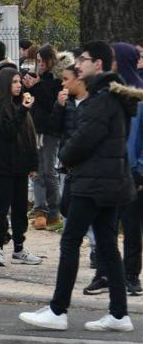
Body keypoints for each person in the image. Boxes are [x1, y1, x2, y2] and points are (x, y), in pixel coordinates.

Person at [19, 41, 140, 332]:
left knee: (70, 241)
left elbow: (85, 139)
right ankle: (119, 314)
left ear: (98, 64)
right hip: (109, 181)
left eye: (83, 60)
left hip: (93, 182)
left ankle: (58, 310)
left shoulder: (102, 99)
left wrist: (64, 154)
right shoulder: (111, 95)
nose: (78, 65)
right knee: (108, 245)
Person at [0, 68, 41, 267]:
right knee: (1, 209)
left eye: (20, 82)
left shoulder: (22, 107)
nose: (19, 85)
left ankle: (19, 247)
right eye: (15, 82)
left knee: (20, 209)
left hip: (20, 166)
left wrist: (33, 164)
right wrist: (24, 110)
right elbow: (7, 132)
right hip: (3, 166)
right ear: (5, 84)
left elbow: (30, 137)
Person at [50, 64, 98, 271]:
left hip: (87, 167)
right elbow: (54, 129)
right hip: (67, 166)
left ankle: (96, 248)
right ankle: (70, 248)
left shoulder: (95, 103)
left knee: (90, 211)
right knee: (67, 208)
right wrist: (58, 107)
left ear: (79, 80)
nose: (62, 83)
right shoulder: (66, 102)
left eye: (66, 78)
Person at [23, 46, 73, 230]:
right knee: (36, 171)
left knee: (49, 171)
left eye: (43, 61)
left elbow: (52, 103)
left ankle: (53, 211)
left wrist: (37, 87)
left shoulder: (58, 80)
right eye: (38, 61)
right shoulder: (39, 78)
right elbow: (32, 102)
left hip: (51, 130)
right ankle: (39, 211)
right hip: (34, 128)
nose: (41, 65)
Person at [111, 42, 143, 295]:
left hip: (132, 172)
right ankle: (108, 273)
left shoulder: (139, 96)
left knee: (131, 227)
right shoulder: (108, 93)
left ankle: (131, 275)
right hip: (110, 169)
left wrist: (139, 169)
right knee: (107, 226)